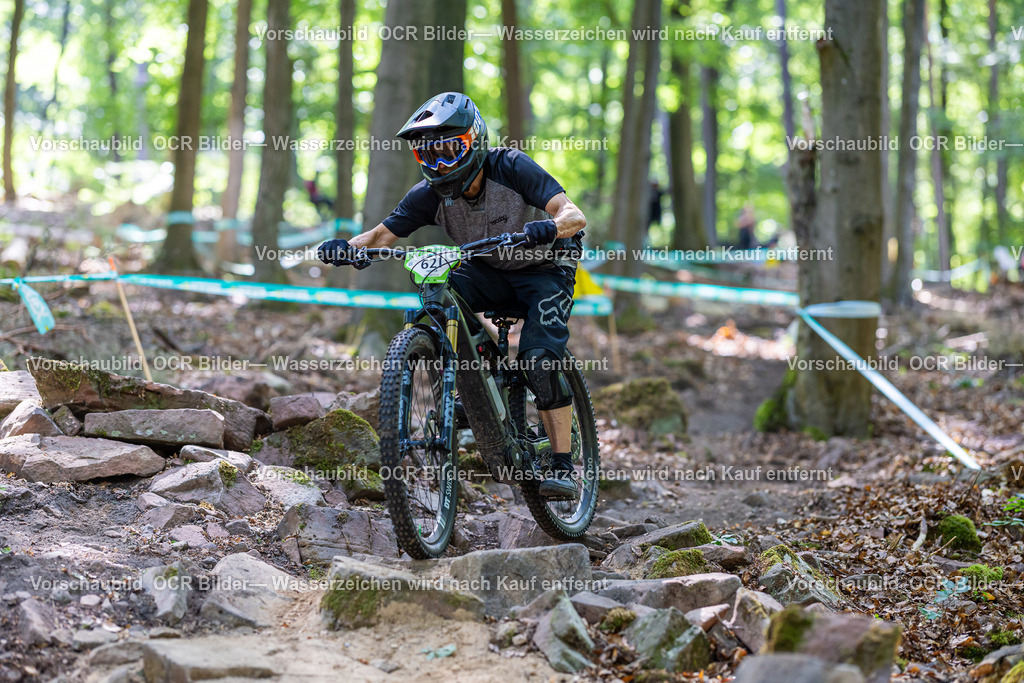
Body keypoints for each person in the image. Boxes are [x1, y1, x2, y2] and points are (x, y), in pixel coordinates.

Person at [317, 92, 587, 499]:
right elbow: (378, 235)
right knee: (438, 285)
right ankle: (472, 380)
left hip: (546, 266)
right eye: (427, 156)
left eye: (448, 151)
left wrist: (548, 227)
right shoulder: (429, 194)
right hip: (490, 267)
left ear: (474, 140)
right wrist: (349, 248)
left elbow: (573, 215)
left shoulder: (510, 166)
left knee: (539, 358)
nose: (438, 164)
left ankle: (564, 465)